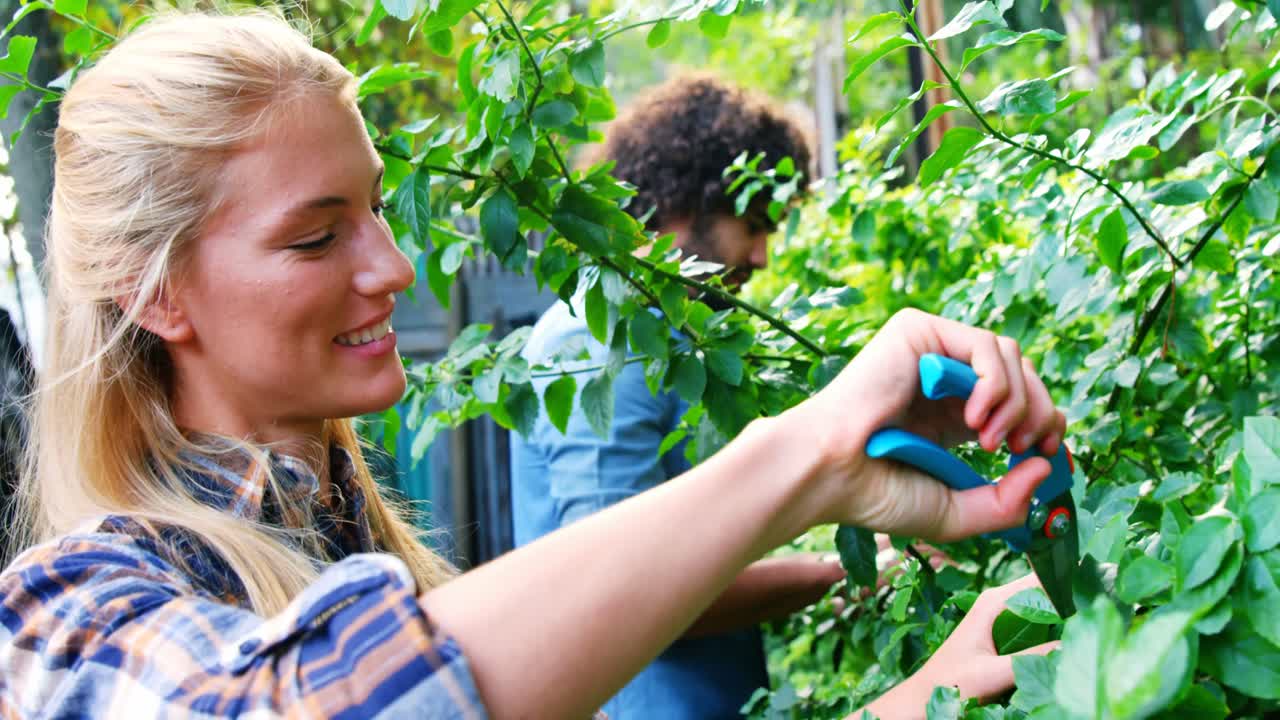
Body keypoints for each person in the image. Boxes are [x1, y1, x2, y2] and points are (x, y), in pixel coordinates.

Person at [0, 11, 1066, 720]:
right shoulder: (67, 613)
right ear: (153, 292)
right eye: (317, 237)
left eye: (375, 210)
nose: (394, 266)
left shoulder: (343, 537)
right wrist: (800, 457)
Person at [510, 75, 846, 719]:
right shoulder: (601, 339)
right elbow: (624, 590)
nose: (763, 254)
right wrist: (838, 574)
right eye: (751, 224)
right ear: (682, 202)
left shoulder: (669, 336)